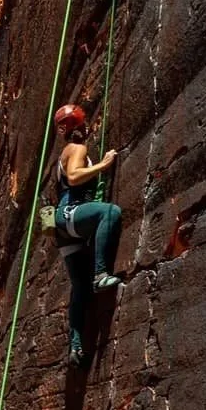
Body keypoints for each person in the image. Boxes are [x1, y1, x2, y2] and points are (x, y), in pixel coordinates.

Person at [51, 103, 122, 368]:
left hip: (64, 226)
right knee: (110, 212)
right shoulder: (77, 149)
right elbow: (74, 176)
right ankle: (101, 274)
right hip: (71, 213)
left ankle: (76, 345)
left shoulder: (64, 152)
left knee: (80, 287)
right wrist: (103, 165)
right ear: (82, 126)